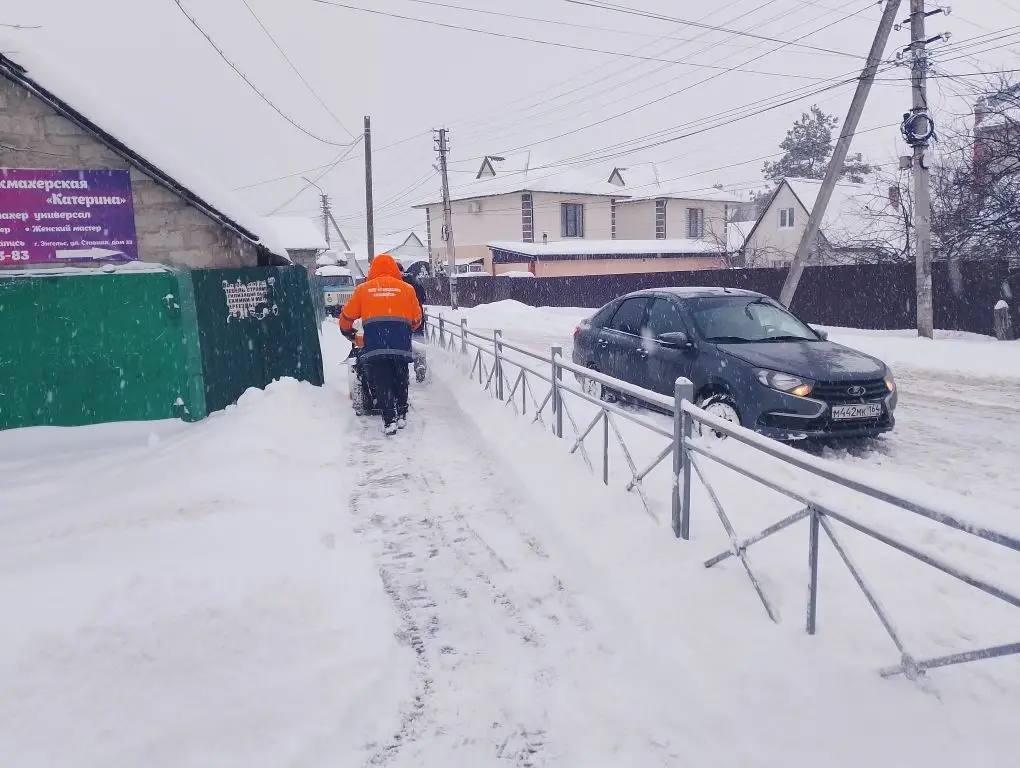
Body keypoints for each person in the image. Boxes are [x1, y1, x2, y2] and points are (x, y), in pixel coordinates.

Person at [339, 254, 422, 435]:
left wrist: (347, 332)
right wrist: (405, 328)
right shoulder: (407, 289)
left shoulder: (363, 289)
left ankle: (389, 420)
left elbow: (347, 316)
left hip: (375, 345)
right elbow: (416, 319)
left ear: (372, 270)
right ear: (394, 269)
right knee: (401, 377)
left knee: (382, 381)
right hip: (400, 344)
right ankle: (402, 413)